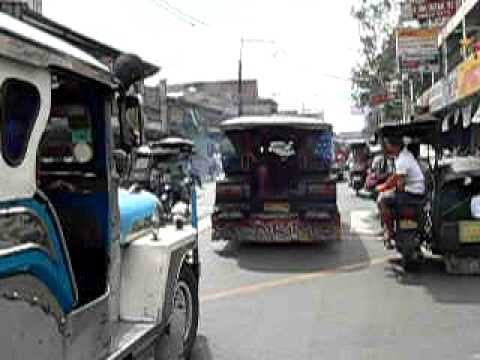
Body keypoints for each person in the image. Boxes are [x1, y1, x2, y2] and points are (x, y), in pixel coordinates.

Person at [377, 137, 425, 249]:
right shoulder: (405, 156)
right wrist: (388, 186)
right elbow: (397, 179)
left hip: (410, 194)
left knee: (381, 200)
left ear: (395, 146)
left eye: (388, 144)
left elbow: (399, 182)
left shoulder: (402, 159)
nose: (387, 147)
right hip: (416, 193)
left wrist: (384, 187)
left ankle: (389, 231)